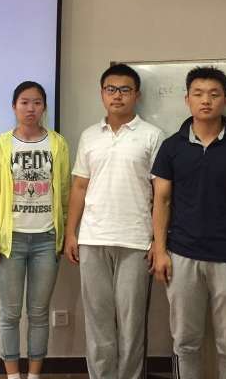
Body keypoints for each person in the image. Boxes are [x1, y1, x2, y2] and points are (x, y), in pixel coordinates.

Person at [150, 66, 226, 379]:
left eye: (214, 94)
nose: (206, 100)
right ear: (186, 99)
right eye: (198, 94)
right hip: (182, 255)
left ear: (225, 100)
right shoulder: (172, 147)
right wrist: (160, 250)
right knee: (185, 343)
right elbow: (161, 201)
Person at [64, 63, 164, 379]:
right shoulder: (90, 135)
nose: (117, 96)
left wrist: (157, 241)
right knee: (98, 320)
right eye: (111, 89)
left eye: (124, 90)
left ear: (136, 95)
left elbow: (161, 194)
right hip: (92, 238)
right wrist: (71, 233)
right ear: (102, 94)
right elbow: (79, 187)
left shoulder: (152, 135)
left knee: (132, 323)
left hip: (136, 241)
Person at [0, 81, 71, 379]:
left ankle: (34, 375)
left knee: (39, 313)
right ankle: (13, 375)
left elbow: (65, 193)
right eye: (25, 102)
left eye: (37, 102)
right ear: (14, 106)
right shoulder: (3, 145)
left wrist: (66, 233)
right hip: (11, 241)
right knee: (10, 313)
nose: (31, 108)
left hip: (47, 239)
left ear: (44, 107)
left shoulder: (57, 144)